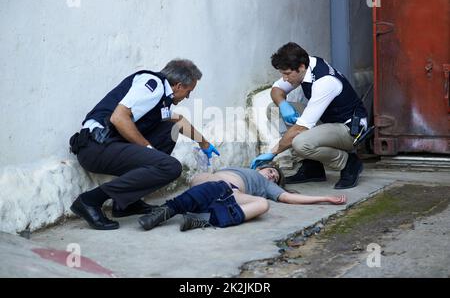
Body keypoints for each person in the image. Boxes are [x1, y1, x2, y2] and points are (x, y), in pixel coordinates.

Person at [68, 59, 220, 230]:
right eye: (188, 91)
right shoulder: (153, 84)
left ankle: (125, 203)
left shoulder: (163, 97)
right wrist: (148, 149)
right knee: (170, 167)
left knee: (171, 129)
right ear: (178, 86)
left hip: (109, 145)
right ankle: (89, 200)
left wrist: (204, 143)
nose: (188, 96)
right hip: (95, 147)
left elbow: (178, 120)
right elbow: (118, 118)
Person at [251, 42, 368, 189]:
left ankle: (348, 163)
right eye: (282, 74)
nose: (285, 78)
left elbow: (300, 129)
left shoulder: (324, 81)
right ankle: (312, 167)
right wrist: (282, 104)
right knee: (274, 108)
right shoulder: (308, 64)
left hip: (350, 129)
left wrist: (272, 152)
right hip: (327, 122)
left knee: (300, 142)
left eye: (287, 74)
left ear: (300, 67)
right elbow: (276, 89)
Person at [138, 164, 347, 232]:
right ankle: (180, 212)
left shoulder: (266, 186)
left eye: (275, 177)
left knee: (262, 204)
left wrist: (325, 198)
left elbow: (287, 198)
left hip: (232, 194)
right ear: (261, 166)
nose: (272, 174)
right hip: (210, 184)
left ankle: (178, 212)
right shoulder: (244, 167)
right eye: (271, 170)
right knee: (207, 180)